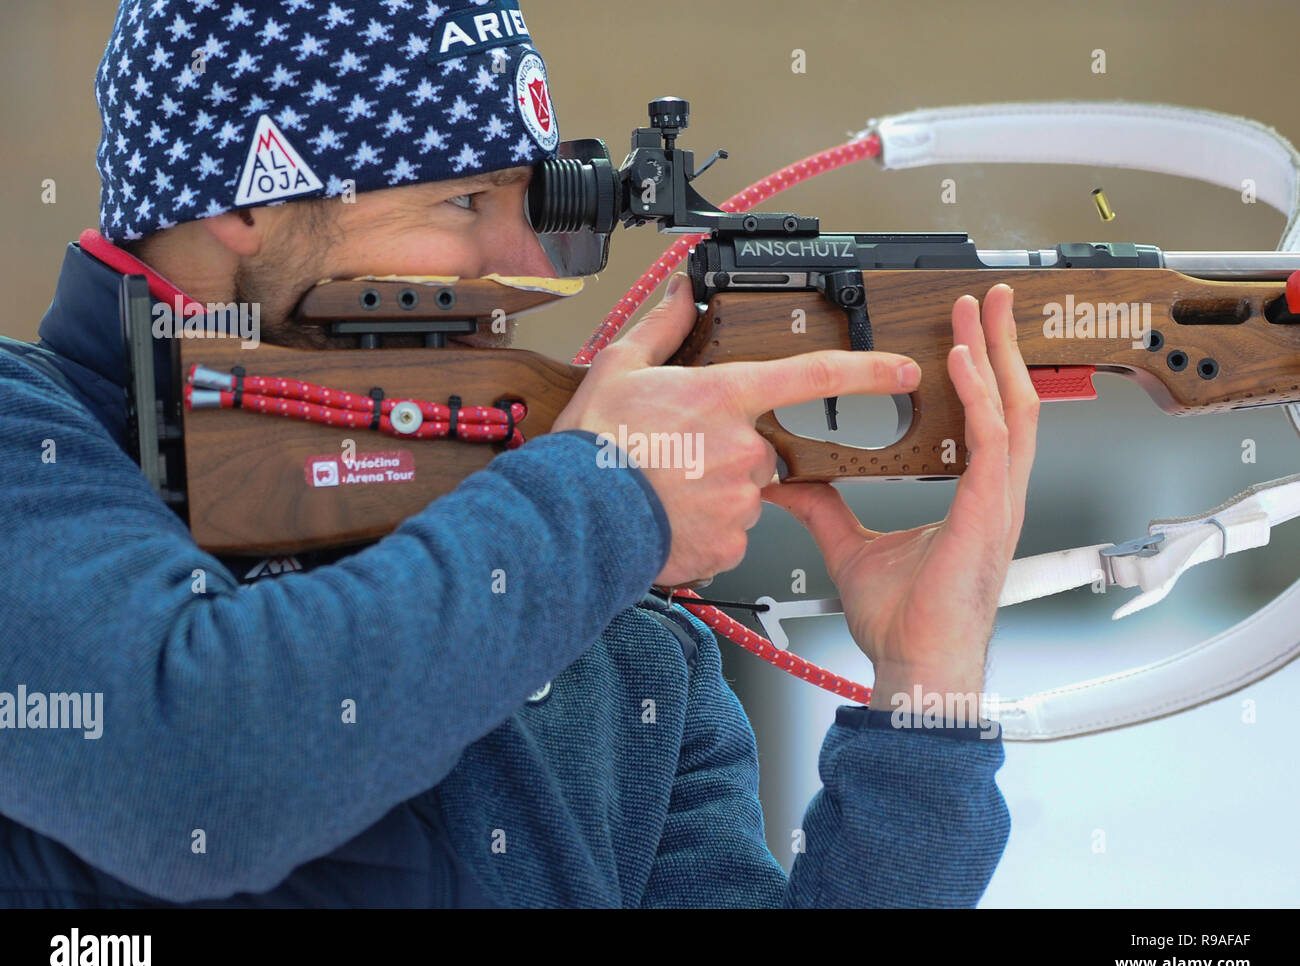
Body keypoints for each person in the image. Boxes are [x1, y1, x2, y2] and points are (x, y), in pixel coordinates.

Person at [0, 0, 1037, 907]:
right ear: (247, 201)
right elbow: (196, 772)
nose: (529, 267)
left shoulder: (619, 640)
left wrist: (921, 697)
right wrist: (609, 496)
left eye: (533, 204)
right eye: (462, 202)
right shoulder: (28, 442)